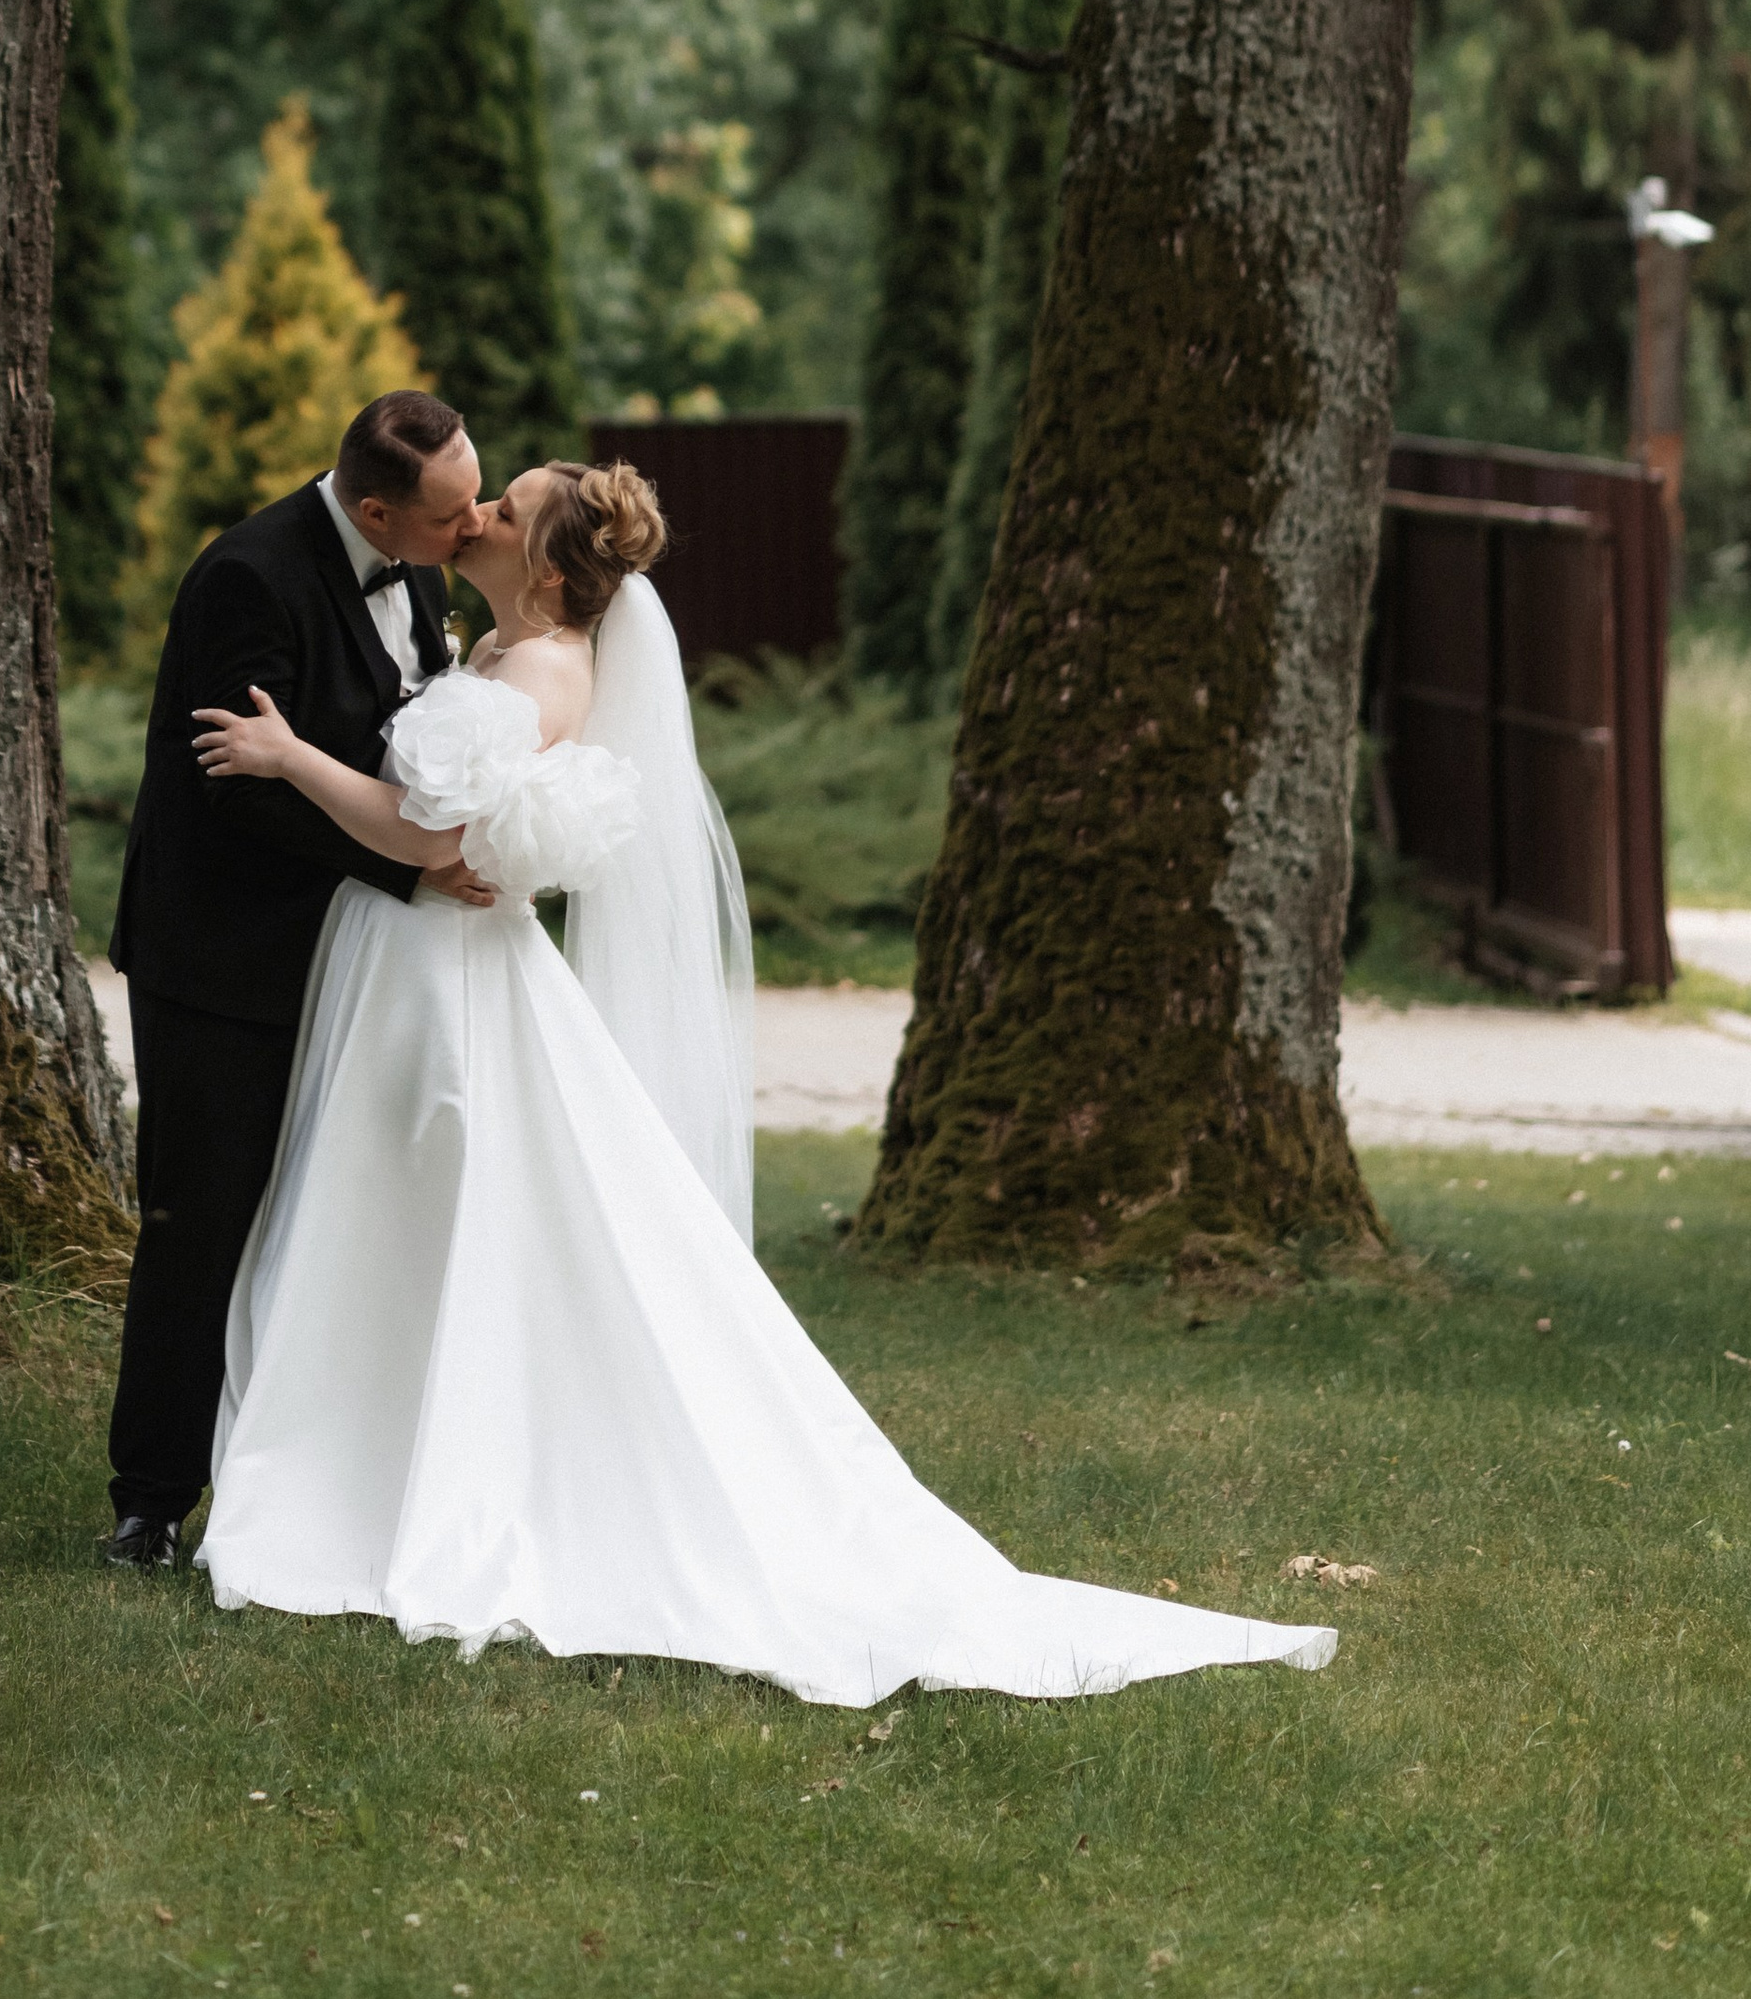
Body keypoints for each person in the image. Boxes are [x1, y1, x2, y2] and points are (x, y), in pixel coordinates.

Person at [183, 456, 1338, 1712]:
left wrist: (286, 754)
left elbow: (430, 839)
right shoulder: (498, 647)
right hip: (427, 967)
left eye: (504, 510)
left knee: (440, 1205)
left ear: (554, 567)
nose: (477, 517)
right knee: (419, 1215)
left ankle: (396, 1466)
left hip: (448, 979)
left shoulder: (538, 670)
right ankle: (377, 1440)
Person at [98, 388, 494, 1568]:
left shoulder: (416, 570)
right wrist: (411, 877)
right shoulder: (248, 577)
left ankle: (315, 1478)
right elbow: (241, 783)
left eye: (478, 497)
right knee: (200, 1218)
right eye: (451, 513)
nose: (470, 527)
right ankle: (152, 1499)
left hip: (349, 961)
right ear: (378, 507)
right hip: (222, 957)